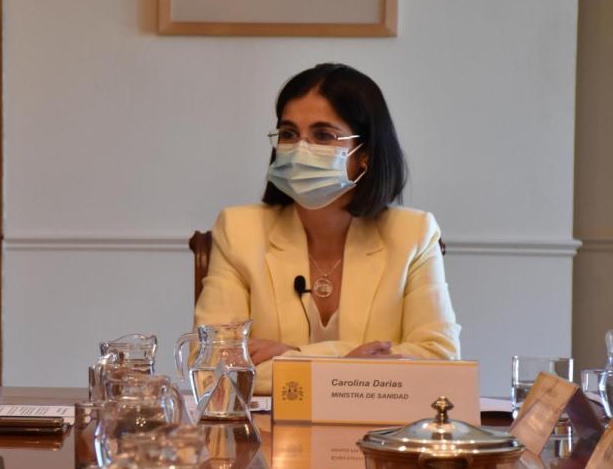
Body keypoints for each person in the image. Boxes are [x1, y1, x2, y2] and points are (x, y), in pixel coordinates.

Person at [194, 63, 460, 394]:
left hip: (382, 438)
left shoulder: (413, 234)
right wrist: (352, 367)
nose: (300, 149)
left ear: (364, 155)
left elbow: (440, 363)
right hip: (267, 437)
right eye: (289, 134)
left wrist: (298, 359)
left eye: (323, 135)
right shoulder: (239, 230)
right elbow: (213, 369)